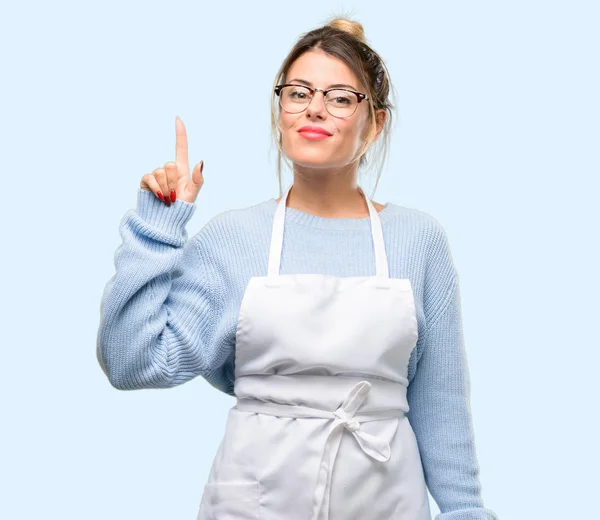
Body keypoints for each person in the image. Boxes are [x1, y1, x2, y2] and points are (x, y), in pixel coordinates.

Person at [96, 17, 499, 520]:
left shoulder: (418, 241)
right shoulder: (234, 238)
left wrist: (466, 512)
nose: (314, 109)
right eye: (299, 92)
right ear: (279, 109)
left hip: (386, 503)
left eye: (340, 97)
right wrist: (158, 225)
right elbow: (133, 361)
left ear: (375, 124)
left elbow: (441, 405)